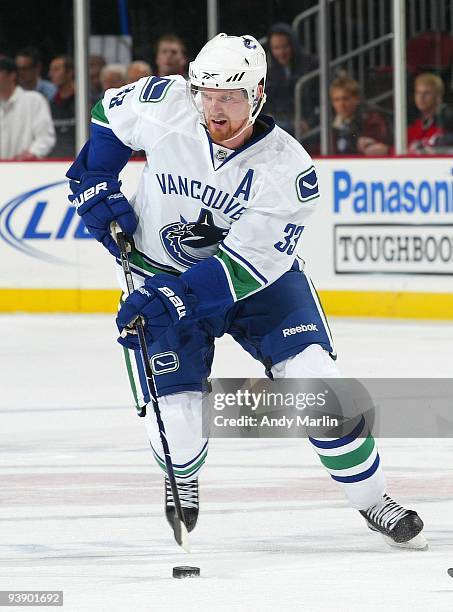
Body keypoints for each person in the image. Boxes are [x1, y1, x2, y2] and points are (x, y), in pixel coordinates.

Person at [67, 33, 426, 549]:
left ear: (257, 94)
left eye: (229, 97)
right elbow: (108, 115)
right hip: (160, 272)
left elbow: (243, 269)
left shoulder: (288, 169)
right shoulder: (165, 102)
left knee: (319, 387)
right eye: (206, 93)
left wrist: (173, 299)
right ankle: (183, 472)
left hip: (259, 287)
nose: (214, 109)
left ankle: (373, 499)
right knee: (178, 422)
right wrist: (96, 179)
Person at [265, 22, 319, 138]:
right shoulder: (270, 73)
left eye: (285, 47)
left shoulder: (312, 65)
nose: (281, 53)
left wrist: (309, 121)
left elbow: (319, 100)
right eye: (276, 48)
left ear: (294, 45)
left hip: (310, 126)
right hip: (283, 124)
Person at [0, 56, 55, 159]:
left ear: (12, 76)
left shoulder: (34, 100)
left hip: (27, 169)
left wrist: (33, 153)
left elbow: (45, 137)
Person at [330, 74, 391, 155]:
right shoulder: (331, 124)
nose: (341, 104)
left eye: (346, 99)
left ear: (357, 99)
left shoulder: (371, 120)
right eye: (336, 100)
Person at [407, 73, 445, 153]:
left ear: (438, 96)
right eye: (418, 92)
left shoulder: (446, 124)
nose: (421, 97)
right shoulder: (414, 126)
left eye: (427, 93)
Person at [48, 54, 75, 158]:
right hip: (53, 162)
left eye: (56, 69)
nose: (51, 74)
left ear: (69, 72)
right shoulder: (50, 105)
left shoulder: (84, 104)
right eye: (51, 70)